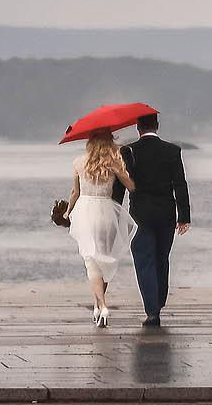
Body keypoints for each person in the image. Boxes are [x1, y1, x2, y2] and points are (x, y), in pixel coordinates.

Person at [120, 112, 190, 329]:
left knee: (144, 258)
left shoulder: (129, 151)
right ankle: (159, 299)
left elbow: (122, 182)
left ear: (137, 128)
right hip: (167, 214)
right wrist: (184, 216)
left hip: (142, 214)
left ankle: (152, 310)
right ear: (157, 126)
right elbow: (180, 184)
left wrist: (114, 208)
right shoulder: (172, 151)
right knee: (161, 257)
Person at [65, 133, 134, 328]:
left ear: (90, 142)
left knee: (91, 261)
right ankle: (97, 306)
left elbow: (74, 193)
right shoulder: (113, 161)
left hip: (85, 212)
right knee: (103, 259)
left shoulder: (78, 162)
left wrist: (67, 213)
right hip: (107, 212)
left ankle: (102, 306)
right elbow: (130, 185)